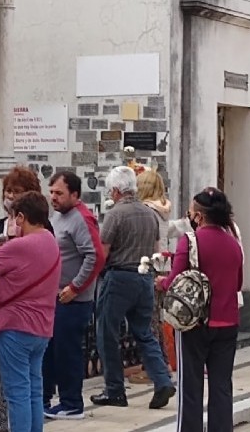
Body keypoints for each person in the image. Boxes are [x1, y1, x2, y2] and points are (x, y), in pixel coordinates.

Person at [156, 188, 243, 432]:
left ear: (199, 217)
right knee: (222, 386)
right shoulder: (233, 242)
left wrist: (160, 282)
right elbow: (237, 283)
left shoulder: (190, 240)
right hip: (228, 322)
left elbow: (175, 280)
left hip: (195, 323)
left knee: (191, 387)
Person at [0, 192, 61, 432]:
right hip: (41, 327)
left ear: (21, 217)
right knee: (34, 388)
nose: (11, 224)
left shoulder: (20, 246)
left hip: (15, 326)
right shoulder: (50, 241)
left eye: (13, 218)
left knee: (17, 392)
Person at [90, 166, 176, 409]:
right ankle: (161, 380)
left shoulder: (116, 214)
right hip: (144, 276)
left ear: (117, 190)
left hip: (119, 277)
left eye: (110, 191)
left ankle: (115, 390)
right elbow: (156, 248)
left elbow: (103, 252)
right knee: (144, 332)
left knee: (107, 333)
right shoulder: (149, 214)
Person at [0, 166, 42, 432]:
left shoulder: (39, 232)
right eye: (8, 191)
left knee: (21, 384)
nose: (10, 197)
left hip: (19, 313)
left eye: (17, 192)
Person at [43, 173, 105, 420]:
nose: (53, 198)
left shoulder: (81, 219)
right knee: (51, 350)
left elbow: (95, 256)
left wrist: (76, 287)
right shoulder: (59, 216)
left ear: (75, 195)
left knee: (67, 351)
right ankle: (47, 398)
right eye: (52, 192)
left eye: (59, 193)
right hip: (55, 296)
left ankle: (71, 403)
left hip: (73, 300)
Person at [133, 170, 173, 383]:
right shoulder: (163, 209)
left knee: (149, 320)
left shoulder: (147, 210)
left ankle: (154, 367)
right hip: (164, 264)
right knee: (157, 317)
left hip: (150, 264)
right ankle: (161, 362)